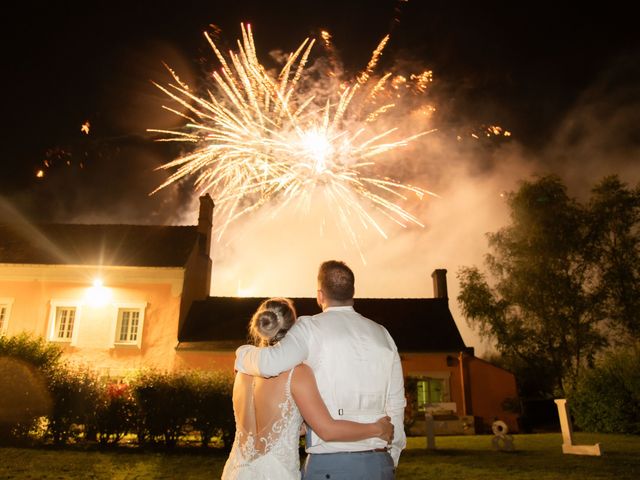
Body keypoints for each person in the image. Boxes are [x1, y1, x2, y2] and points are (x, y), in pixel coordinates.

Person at [235, 261, 406, 480]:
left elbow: (270, 364)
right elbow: (396, 404)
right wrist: (390, 457)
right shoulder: (383, 334)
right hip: (379, 464)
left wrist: (241, 354)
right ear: (353, 292)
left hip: (330, 466)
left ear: (320, 295)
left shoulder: (309, 328)